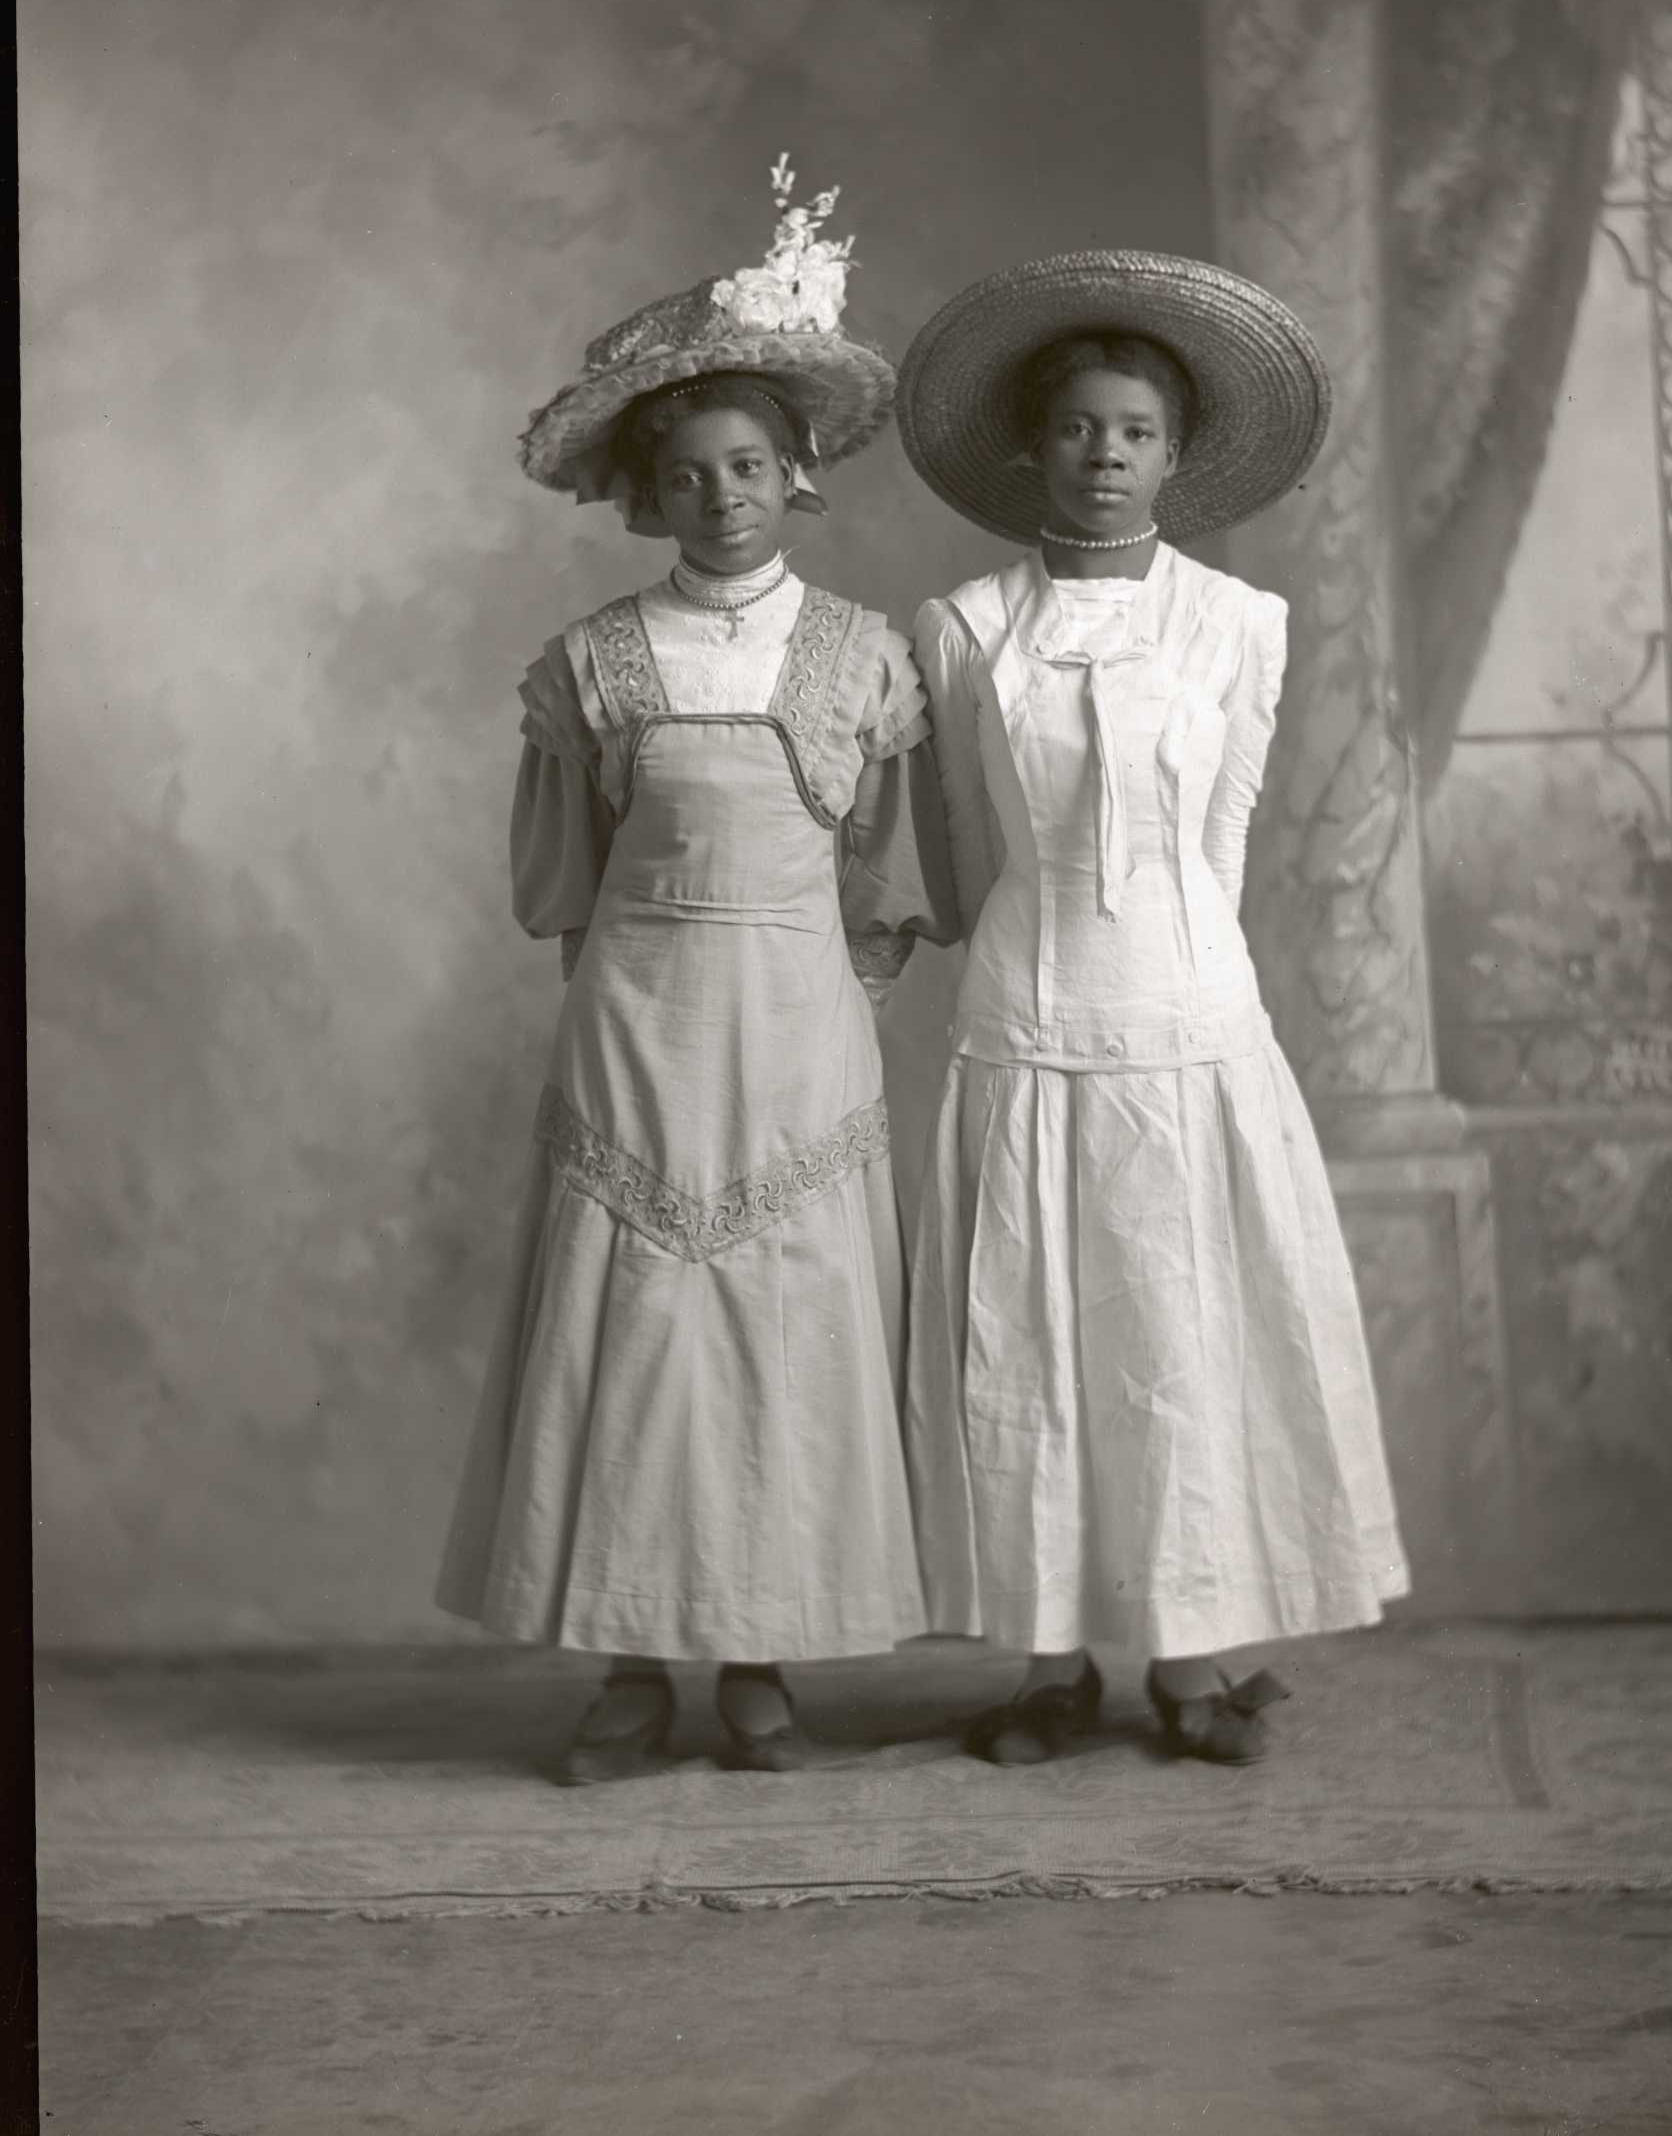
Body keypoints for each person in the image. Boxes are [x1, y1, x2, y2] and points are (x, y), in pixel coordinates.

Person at [437, 164, 951, 1782]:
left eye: (746, 465)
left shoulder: (868, 656)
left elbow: (885, 871)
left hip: (798, 1023)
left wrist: (837, 989)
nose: (720, 493)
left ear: (797, 476)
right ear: (646, 498)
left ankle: (762, 1662)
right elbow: (569, 890)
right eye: (685, 473)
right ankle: (631, 1665)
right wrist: (616, 1005)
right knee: (637, 1327)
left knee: (784, 1335)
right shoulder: (590, 663)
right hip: (640, 1023)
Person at [895, 250, 1410, 1766]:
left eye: (1133, 430)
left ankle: (1191, 1658)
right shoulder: (969, 627)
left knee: (1180, 1333)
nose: (1105, 454)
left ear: (1178, 455)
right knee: (1031, 1339)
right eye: (1077, 429)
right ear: (1031, 449)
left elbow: (1228, 840)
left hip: (1187, 1014)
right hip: (1026, 1015)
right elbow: (973, 851)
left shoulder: (1240, 627)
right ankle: (1051, 1664)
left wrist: (1182, 982)